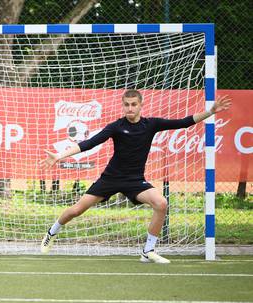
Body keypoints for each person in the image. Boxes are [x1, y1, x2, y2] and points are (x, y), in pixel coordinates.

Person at [39, 89, 231, 263]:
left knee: (161, 203)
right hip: (110, 179)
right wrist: (59, 156)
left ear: (140, 105)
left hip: (135, 181)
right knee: (75, 211)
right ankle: (51, 233)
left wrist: (210, 112)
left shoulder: (151, 124)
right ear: (123, 106)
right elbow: (89, 143)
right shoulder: (116, 126)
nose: (130, 108)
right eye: (126, 104)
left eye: (133, 104)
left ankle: (148, 251)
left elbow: (183, 122)